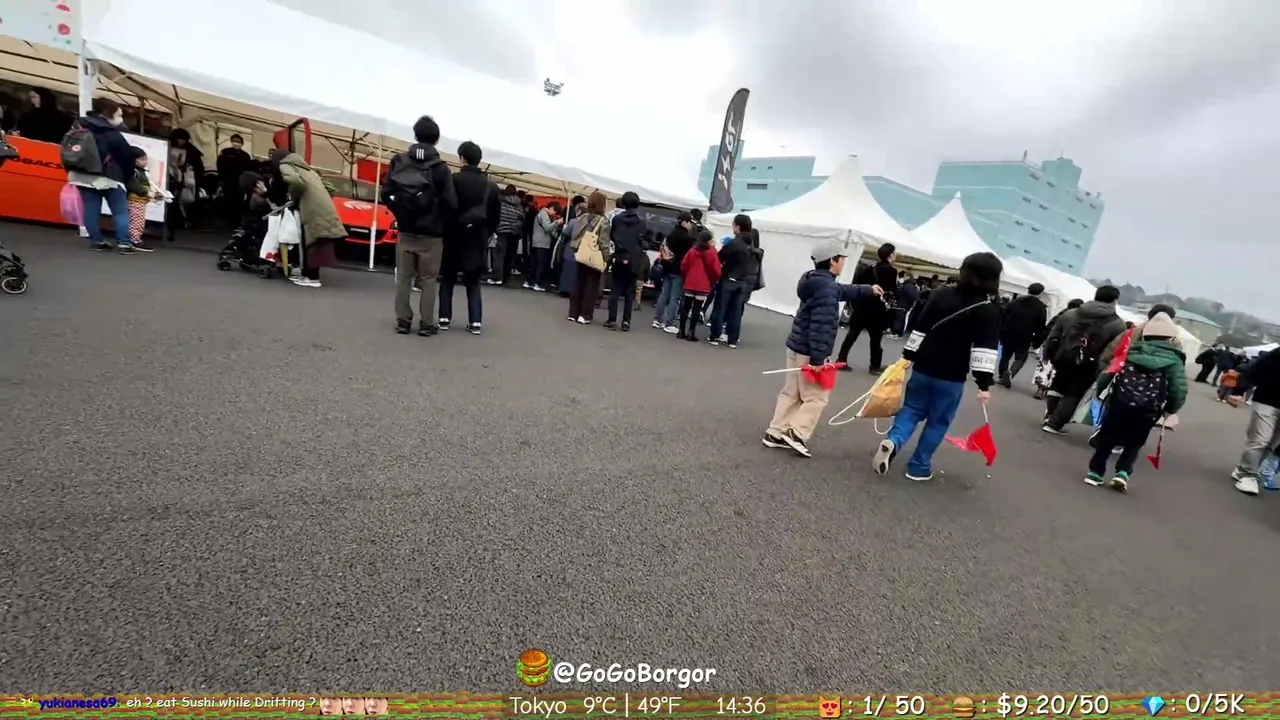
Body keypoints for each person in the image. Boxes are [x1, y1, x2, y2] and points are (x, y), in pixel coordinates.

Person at [871, 252, 1002, 481]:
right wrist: (984, 385)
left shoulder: (941, 294)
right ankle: (918, 466)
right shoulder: (987, 308)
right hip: (952, 374)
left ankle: (893, 441)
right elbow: (984, 350)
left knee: (911, 409)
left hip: (923, 366)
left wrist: (908, 355)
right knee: (938, 421)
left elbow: (920, 327)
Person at [765, 239, 883, 458]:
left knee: (791, 393)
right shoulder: (827, 288)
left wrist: (868, 289)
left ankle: (775, 432)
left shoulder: (815, 281)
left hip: (796, 345)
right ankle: (797, 433)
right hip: (811, 350)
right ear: (832, 261)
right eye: (842, 259)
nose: (843, 263)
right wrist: (818, 360)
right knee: (817, 397)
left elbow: (842, 290)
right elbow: (822, 325)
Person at [1084, 312, 1187, 492]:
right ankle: (1122, 473)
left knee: (1107, 438)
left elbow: (1107, 374)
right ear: (1171, 339)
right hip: (1149, 408)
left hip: (1119, 402)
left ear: (1145, 335)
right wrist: (1170, 409)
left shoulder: (1130, 353)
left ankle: (1095, 472)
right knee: (1135, 442)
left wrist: (1102, 394)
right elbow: (1178, 389)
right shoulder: (1174, 361)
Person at [383, 115, 458, 334]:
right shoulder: (440, 169)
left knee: (403, 277)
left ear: (415, 135)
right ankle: (426, 323)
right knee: (428, 279)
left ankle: (403, 320)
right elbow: (451, 203)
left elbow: (386, 193)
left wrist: (401, 211)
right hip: (431, 234)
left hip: (405, 229)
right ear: (436, 139)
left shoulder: (399, 161)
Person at [1040, 286, 1128, 434]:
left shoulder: (1071, 313)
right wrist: (1103, 369)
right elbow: (1113, 350)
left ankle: (1050, 415)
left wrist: (1049, 352)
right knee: (1074, 393)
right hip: (1089, 364)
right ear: (1115, 301)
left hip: (1063, 356)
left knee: (1057, 386)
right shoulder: (1118, 324)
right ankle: (1054, 423)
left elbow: (1055, 334)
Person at [439, 140, 499, 334]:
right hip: (477, 237)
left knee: (448, 277)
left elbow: (446, 208)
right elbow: (495, 217)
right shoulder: (491, 187)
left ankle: (444, 317)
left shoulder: (453, 180)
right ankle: (475, 321)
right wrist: (486, 233)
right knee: (473, 281)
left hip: (453, 235)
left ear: (462, 158)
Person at [66, 98, 137, 254]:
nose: (120, 119)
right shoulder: (110, 132)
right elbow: (126, 155)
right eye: (119, 115)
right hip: (110, 176)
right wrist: (128, 175)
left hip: (82, 174)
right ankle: (124, 243)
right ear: (108, 113)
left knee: (91, 208)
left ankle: (96, 241)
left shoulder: (79, 125)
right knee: (119, 211)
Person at [270, 148, 346, 288]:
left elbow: (296, 182)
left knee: (308, 242)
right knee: (315, 242)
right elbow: (331, 188)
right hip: (324, 207)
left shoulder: (285, 165)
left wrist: (293, 196)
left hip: (310, 209)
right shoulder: (308, 169)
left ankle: (312, 278)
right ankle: (308, 274)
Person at [1223, 346, 1280, 495]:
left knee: (1272, 444)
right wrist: (1238, 391)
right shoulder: (1277, 354)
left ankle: (1244, 469)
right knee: (1260, 439)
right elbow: (1254, 371)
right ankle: (1248, 474)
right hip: (1267, 401)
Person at [836, 242, 898, 373]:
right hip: (877, 310)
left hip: (862, 307)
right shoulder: (892, 271)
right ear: (890, 254)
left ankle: (841, 360)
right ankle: (874, 366)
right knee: (875, 340)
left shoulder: (869, 268)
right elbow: (891, 291)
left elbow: (858, 286)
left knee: (852, 335)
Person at [708, 214, 760, 348]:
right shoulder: (751, 244)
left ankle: (715, 335)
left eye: (733, 225)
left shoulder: (734, 243)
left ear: (737, 226)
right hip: (742, 281)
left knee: (720, 308)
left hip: (728, 278)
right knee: (736, 311)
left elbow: (719, 257)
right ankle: (732, 339)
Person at [567, 191, 611, 324]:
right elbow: (604, 243)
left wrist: (576, 249)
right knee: (591, 286)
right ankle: (585, 315)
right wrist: (606, 258)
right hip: (594, 256)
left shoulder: (582, 217)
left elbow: (574, 235)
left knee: (579, 283)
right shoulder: (603, 221)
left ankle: (573, 313)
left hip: (581, 254)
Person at [605, 191, 646, 331]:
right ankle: (626, 321)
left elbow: (612, 235)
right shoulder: (641, 222)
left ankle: (611, 319)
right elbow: (642, 240)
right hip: (634, 259)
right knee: (630, 291)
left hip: (619, 255)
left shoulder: (617, 219)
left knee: (615, 289)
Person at [996, 283, 1049, 387]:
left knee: (1005, 356)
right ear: (1040, 293)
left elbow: (1004, 315)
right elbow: (1041, 325)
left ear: (1028, 290)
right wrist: (1037, 341)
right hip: (1026, 336)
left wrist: (1001, 331)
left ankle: (1002, 376)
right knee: (1021, 358)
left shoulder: (1016, 302)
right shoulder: (1040, 307)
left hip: (1009, 332)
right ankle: (1010, 373)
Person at [676, 228, 721, 341]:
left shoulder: (692, 250)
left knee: (685, 306)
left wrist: (686, 277)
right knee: (697, 308)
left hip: (690, 282)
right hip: (703, 284)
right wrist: (712, 280)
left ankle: (681, 330)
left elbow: (684, 265)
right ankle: (691, 332)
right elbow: (716, 270)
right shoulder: (712, 252)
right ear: (709, 240)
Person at [654, 212, 696, 332]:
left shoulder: (671, 234)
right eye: (690, 222)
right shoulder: (687, 239)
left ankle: (658, 320)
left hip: (667, 268)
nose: (691, 225)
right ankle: (669, 323)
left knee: (664, 294)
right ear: (684, 222)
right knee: (674, 298)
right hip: (679, 270)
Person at [164, 128, 205, 241]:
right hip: (170, 180)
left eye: (183, 140)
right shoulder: (166, 146)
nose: (181, 142)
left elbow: (199, 168)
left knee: (181, 203)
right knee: (172, 204)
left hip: (184, 181)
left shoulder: (192, 151)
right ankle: (171, 226)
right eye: (179, 139)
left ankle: (181, 223)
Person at [123, 146, 163, 252]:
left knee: (136, 221)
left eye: (146, 159)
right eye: (142, 159)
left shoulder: (140, 171)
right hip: (136, 200)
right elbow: (135, 186)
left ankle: (133, 239)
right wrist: (147, 192)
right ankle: (134, 240)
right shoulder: (134, 172)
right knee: (137, 222)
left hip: (139, 200)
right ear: (134, 159)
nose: (145, 162)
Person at [489, 185, 525, 285]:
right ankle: (506, 278)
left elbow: (496, 216)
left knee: (499, 255)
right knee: (510, 256)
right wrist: (515, 225)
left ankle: (497, 277)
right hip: (514, 233)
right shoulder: (519, 206)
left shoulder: (501, 203)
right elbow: (522, 218)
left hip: (501, 231)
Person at [216, 133, 253, 226]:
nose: (236, 143)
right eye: (234, 141)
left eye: (238, 141)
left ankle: (236, 220)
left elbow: (248, 168)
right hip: (228, 180)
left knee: (239, 201)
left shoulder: (245, 156)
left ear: (242, 143)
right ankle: (228, 220)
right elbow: (220, 166)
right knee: (228, 200)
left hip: (240, 182)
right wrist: (221, 181)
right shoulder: (225, 152)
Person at [526, 201, 561, 291]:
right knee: (541, 264)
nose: (555, 214)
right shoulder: (544, 214)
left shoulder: (541, 213)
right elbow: (547, 228)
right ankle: (537, 283)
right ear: (551, 208)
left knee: (535, 263)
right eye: (555, 211)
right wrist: (557, 222)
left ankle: (530, 281)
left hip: (536, 241)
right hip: (542, 242)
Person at [557, 201, 587, 298]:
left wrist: (564, 228)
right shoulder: (589, 223)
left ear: (579, 211)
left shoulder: (574, 221)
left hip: (571, 248)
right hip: (583, 249)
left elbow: (566, 232)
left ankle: (565, 289)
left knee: (567, 270)